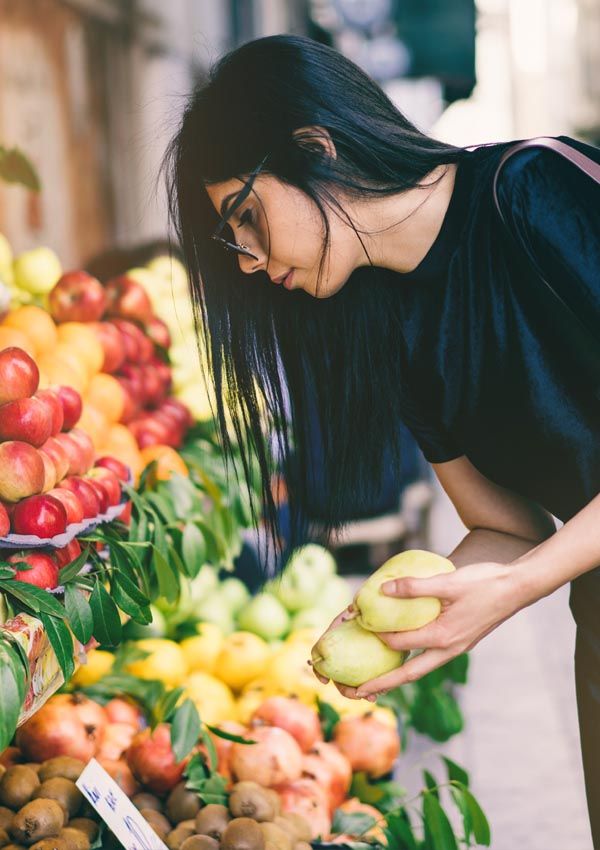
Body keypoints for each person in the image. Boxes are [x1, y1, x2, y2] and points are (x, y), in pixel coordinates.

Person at [164, 35, 600, 842]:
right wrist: (395, 623)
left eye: (246, 217)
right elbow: (507, 527)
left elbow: (528, 561)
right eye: (235, 244)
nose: (251, 263)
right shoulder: (395, 329)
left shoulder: (534, 188)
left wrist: (523, 584)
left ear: (314, 148)